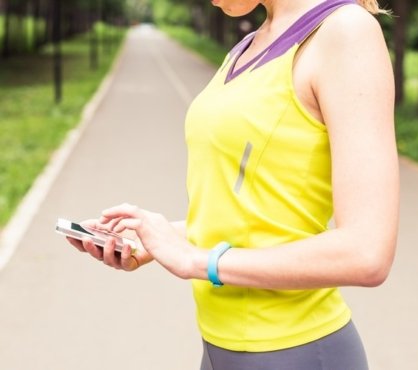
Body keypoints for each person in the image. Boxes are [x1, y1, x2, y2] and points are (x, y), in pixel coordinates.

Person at [67, 0, 399, 369]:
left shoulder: (345, 32)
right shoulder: (250, 44)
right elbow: (255, 217)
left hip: (297, 351)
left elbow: (367, 252)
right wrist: (155, 239)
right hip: (217, 349)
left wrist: (198, 261)